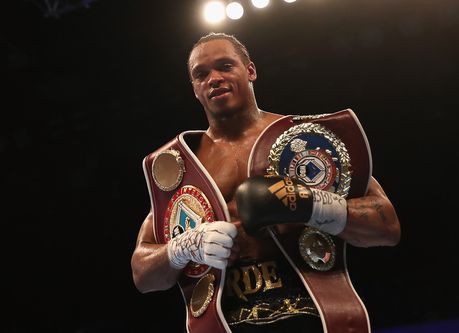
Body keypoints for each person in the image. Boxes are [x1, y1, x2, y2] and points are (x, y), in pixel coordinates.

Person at [131, 32, 401, 333]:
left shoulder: (303, 142)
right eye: (201, 74)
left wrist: (310, 205)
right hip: (227, 323)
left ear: (250, 71)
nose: (214, 78)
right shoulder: (186, 167)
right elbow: (143, 273)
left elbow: (386, 225)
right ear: (195, 89)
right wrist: (184, 246)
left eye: (225, 66)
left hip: (313, 314)